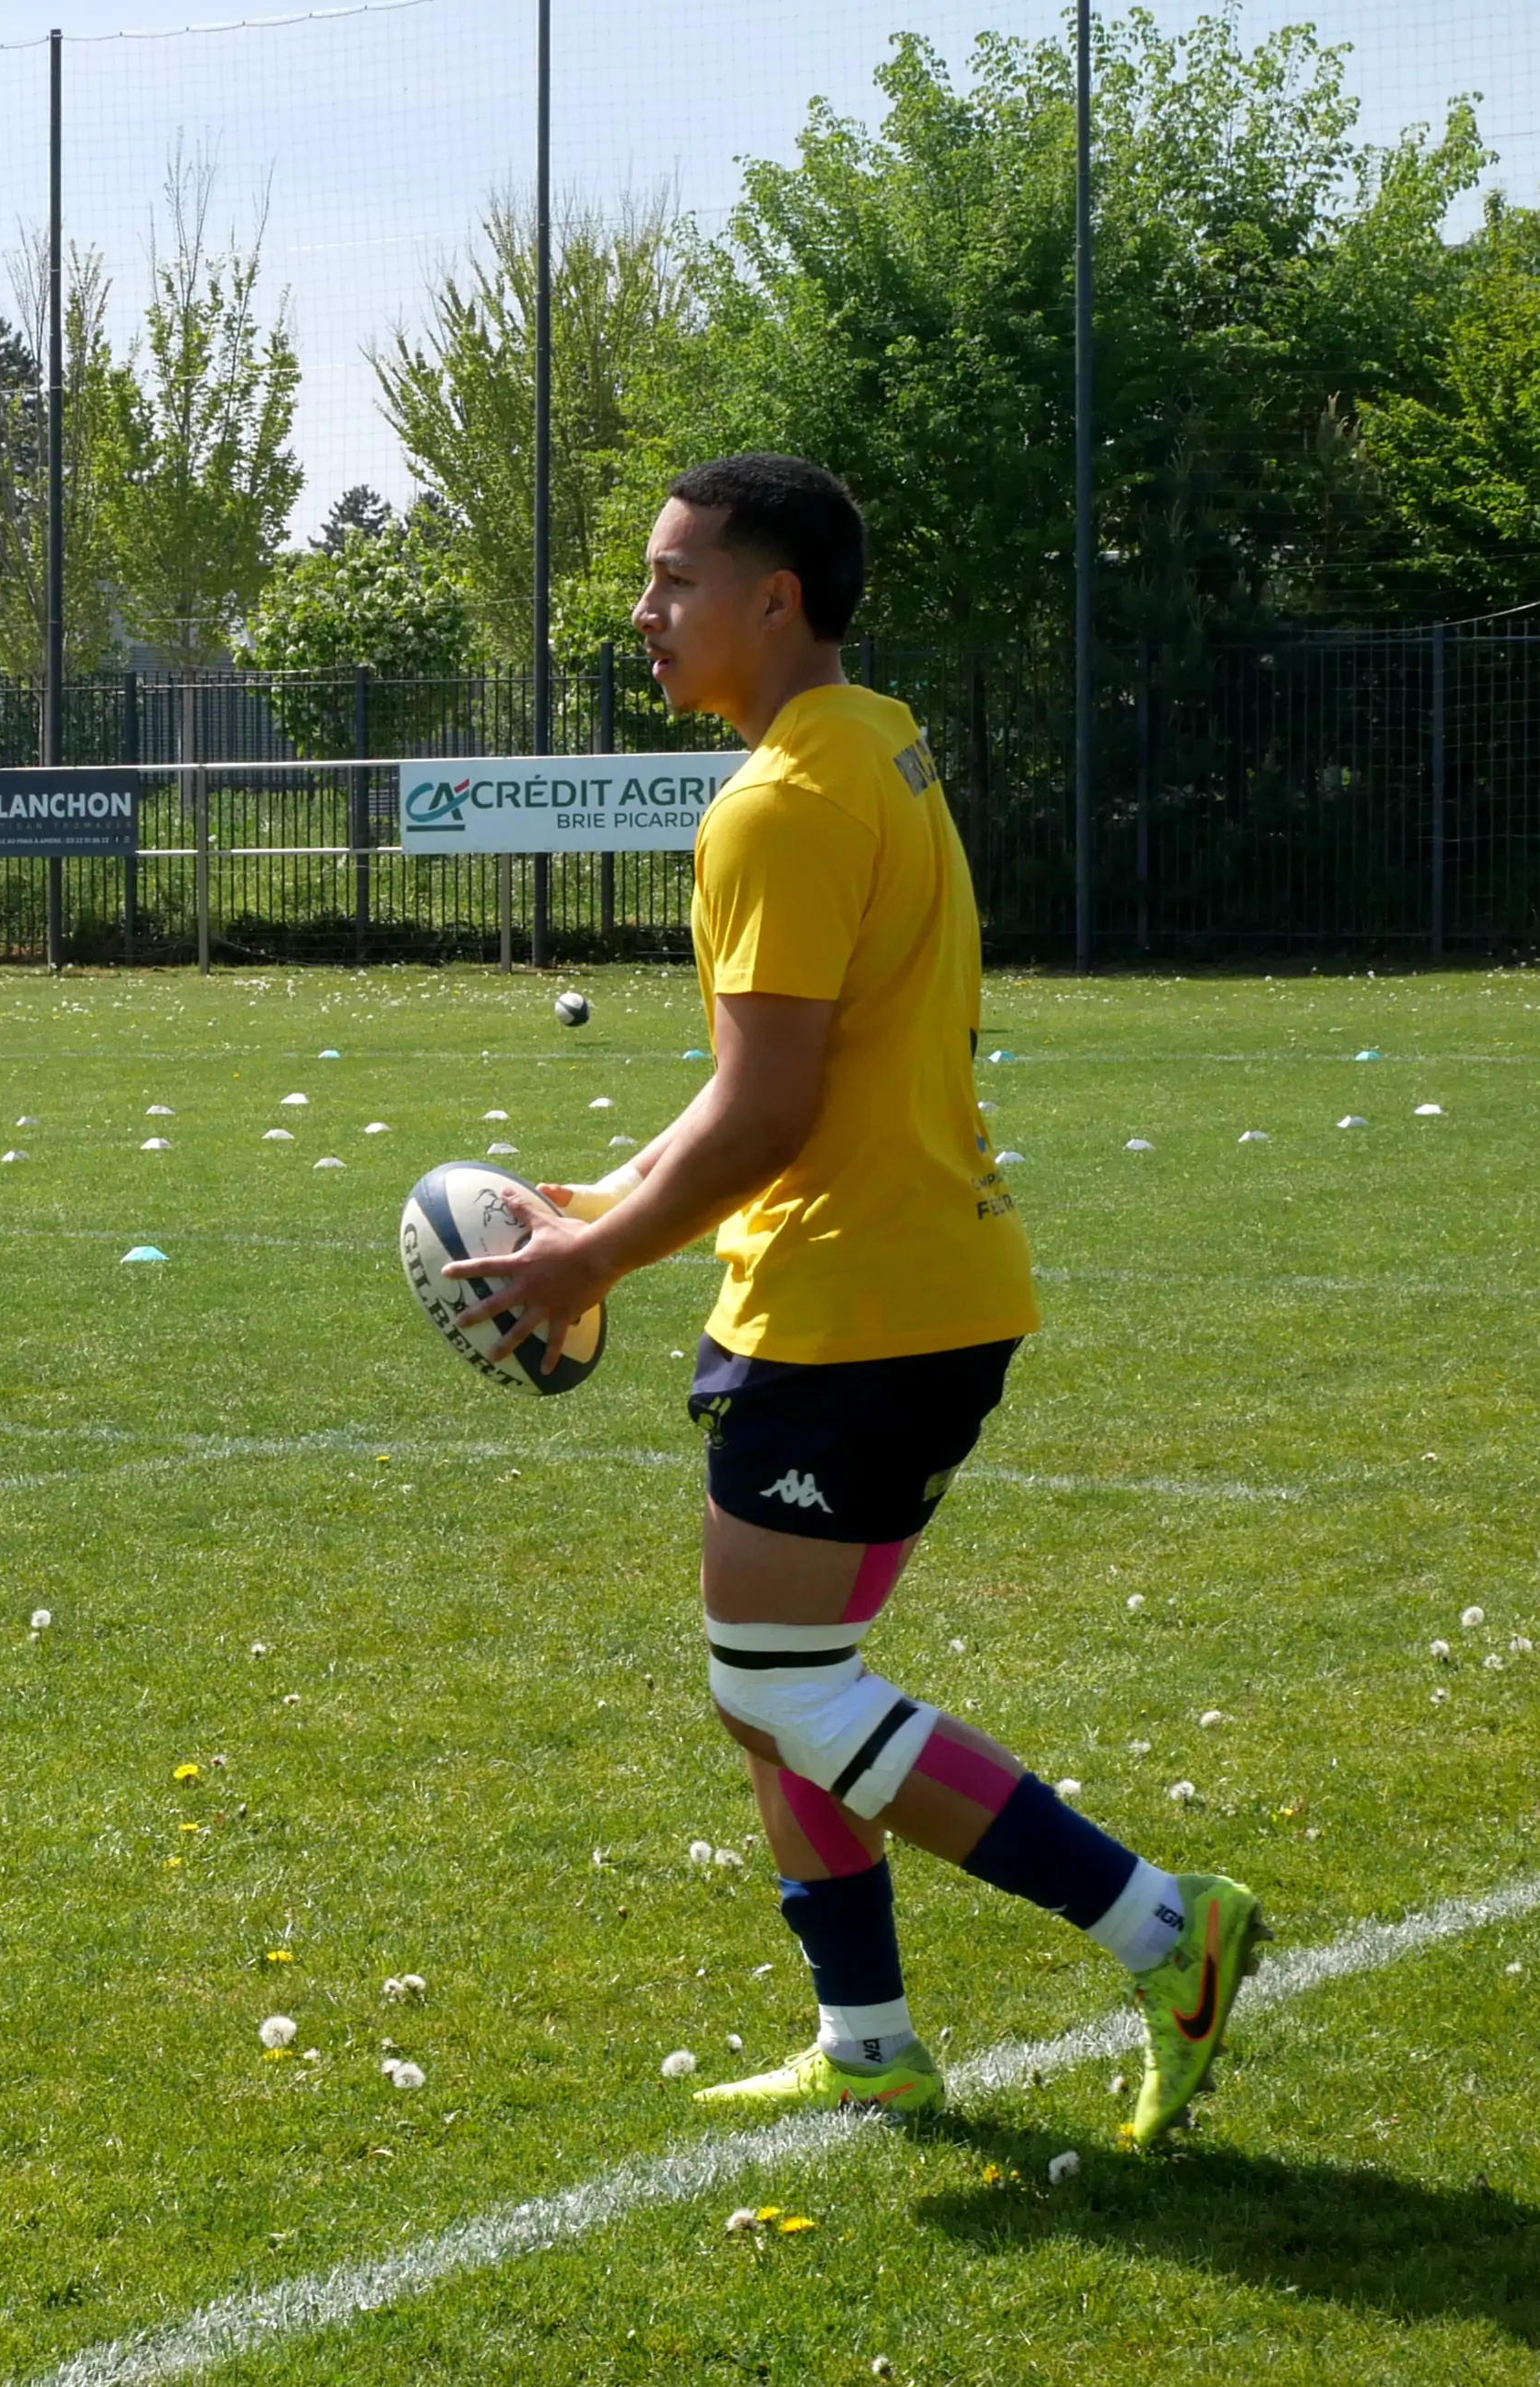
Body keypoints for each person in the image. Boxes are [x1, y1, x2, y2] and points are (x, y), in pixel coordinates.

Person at [444, 453, 1262, 2147]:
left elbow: (768, 1112)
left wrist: (594, 1261)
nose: (642, 612)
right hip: (891, 1280)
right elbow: (779, 1070)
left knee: (783, 1690)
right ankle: (866, 2036)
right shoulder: (871, 741)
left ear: (775, 599)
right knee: (777, 1684)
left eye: (675, 580)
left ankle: (1164, 1930)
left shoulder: (778, 805)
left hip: (857, 1306)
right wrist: (605, 1194)